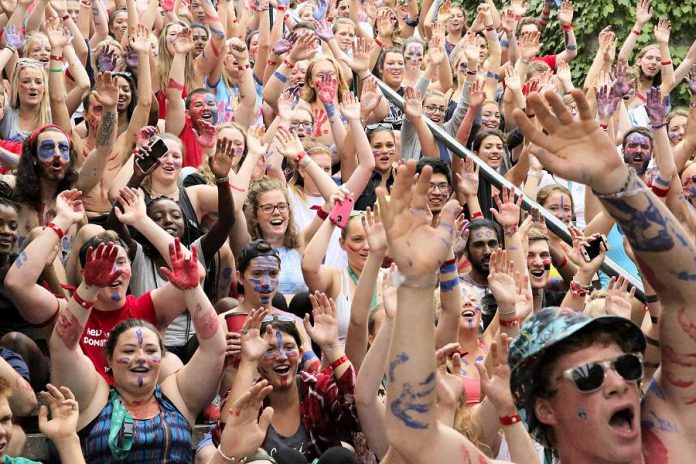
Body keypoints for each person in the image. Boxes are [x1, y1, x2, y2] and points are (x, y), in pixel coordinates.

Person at [49, 239, 225, 462]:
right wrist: (89, 288)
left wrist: (192, 290)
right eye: (129, 351)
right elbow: (62, 348)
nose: (141, 358)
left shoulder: (178, 395)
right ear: (109, 360)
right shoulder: (93, 398)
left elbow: (214, 348)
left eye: (150, 350)